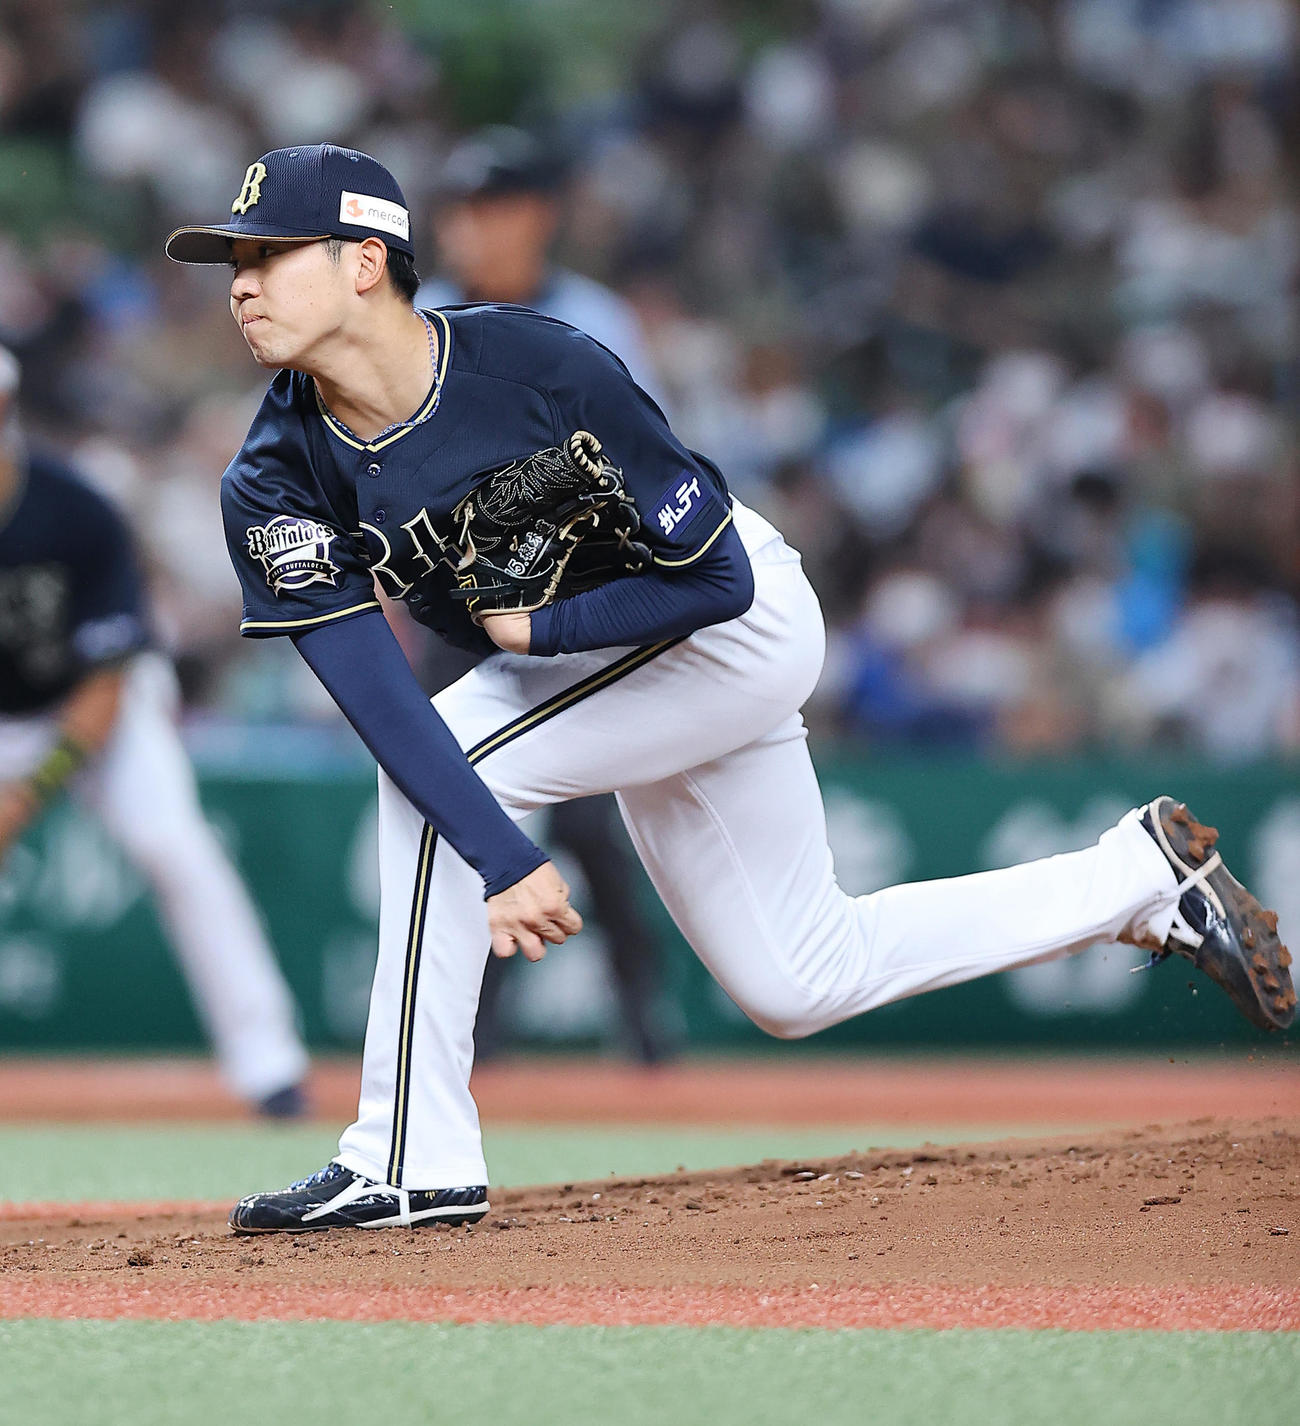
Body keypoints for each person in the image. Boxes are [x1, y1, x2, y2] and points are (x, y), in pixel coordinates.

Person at [163, 144, 1294, 1234]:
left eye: (268, 254)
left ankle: (406, 1155)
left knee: (451, 761)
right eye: (234, 263)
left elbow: (717, 580)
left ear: (365, 260)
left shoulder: (539, 367)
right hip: (600, 674)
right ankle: (1139, 878)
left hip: (731, 627)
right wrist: (501, 853)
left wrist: (542, 629)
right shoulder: (272, 476)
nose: (241, 284)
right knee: (799, 977)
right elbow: (374, 695)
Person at [416, 125, 673, 1065]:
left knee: (588, 818)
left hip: (580, 597)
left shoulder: (597, 318)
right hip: (459, 604)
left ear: (538, 215)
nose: (473, 225)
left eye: (493, 206)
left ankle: (640, 1007)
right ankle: (476, 1024)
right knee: (460, 807)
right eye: (463, 208)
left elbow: (648, 456)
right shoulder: (422, 315)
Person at [0, 344, 309, 1116]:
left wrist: (28, 792)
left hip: (96, 702)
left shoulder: (73, 507)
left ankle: (269, 1068)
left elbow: (107, 679)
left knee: (173, 847)